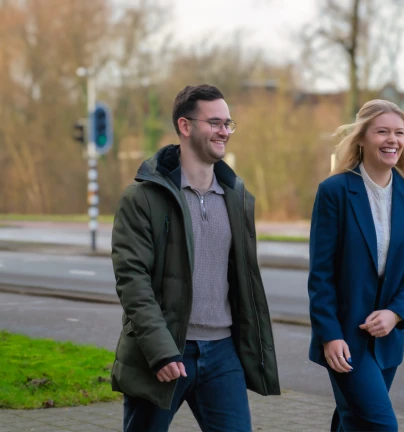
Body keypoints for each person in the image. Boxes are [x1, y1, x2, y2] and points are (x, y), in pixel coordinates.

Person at [110, 84, 280, 432]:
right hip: (164, 351)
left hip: (222, 355)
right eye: (214, 122)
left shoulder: (237, 197)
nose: (224, 131)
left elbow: (244, 282)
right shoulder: (143, 198)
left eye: (228, 124)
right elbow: (133, 282)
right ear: (185, 126)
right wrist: (161, 351)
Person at [308, 99, 404, 431]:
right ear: (362, 138)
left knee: (353, 422)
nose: (393, 140)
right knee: (381, 425)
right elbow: (321, 274)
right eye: (382, 132)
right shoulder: (334, 191)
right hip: (345, 339)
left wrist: (395, 313)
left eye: (399, 133)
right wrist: (330, 335)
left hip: (387, 339)